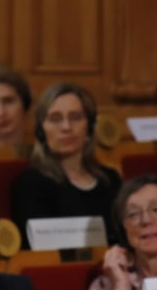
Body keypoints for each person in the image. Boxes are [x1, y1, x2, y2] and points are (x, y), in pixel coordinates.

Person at [10, 83, 121, 248]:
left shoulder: (111, 180)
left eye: (75, 117)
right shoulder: (31, 184)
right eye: (55, 119)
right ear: (41, 130)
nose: (66, 127)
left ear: (89, 127)